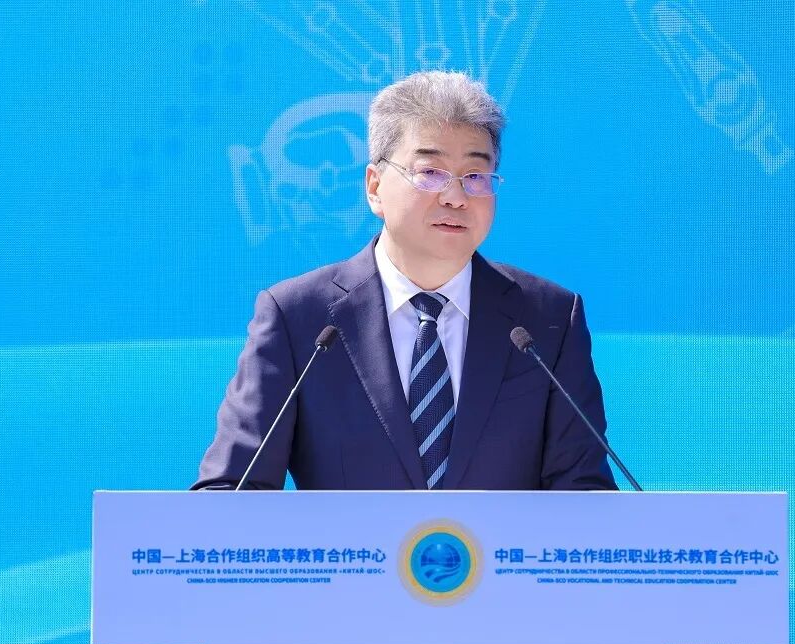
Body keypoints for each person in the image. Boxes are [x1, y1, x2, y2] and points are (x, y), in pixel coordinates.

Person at [193, 71, 617, 491]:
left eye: (475, 176)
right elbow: (230, 491)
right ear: (374, 187)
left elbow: (584, 493)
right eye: (430, 172)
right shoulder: (299, 318)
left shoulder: (547, 319)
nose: (456, 197)